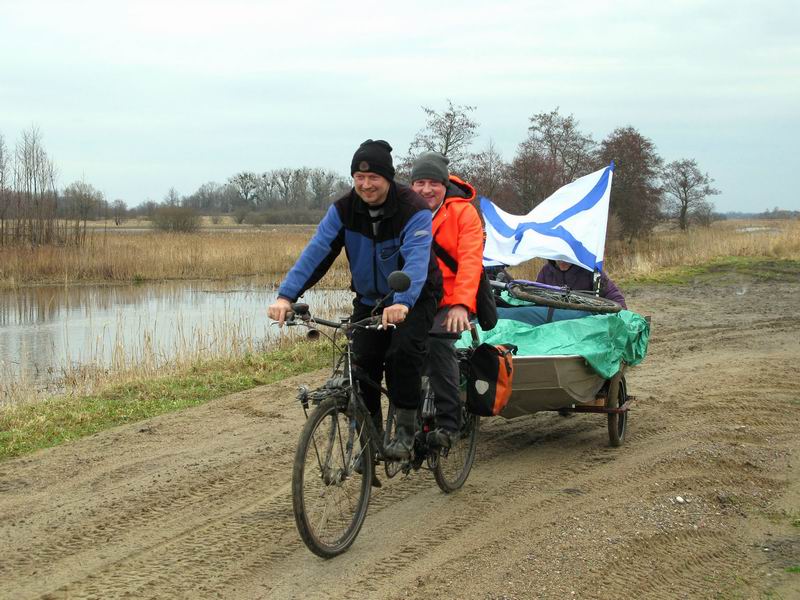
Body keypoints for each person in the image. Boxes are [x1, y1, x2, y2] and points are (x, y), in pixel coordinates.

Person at [268, 139, 442, 460]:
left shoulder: (413, 208)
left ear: (388, 178)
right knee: (362, 365)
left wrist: (402, 301)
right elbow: (316, 253)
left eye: (373, 177)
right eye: (359, 178)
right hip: (369, 300)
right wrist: (285, 295)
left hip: (413, 297)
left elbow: (417, 261)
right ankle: (370, 436)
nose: (365, 184)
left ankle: (405, 430)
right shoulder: (343, 210)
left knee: (402, 355)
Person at [410, 151, 484, 447]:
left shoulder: (463, 213)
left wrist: (461, 304)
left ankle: (449, 424)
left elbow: (470, 262)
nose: (426, 190)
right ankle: (408, 423)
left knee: (440, 347)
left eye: (433, 183)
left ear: (444, 184)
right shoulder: (406, 211)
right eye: (419, 182)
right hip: (416, 299)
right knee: (401, 353)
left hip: (452, 299)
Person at [535, 259, 627, 308]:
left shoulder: (590, 270)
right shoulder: (545, 272)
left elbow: (613, 295)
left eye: (567, 259)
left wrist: (623, 315)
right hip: (554, 327)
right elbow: (536, 301)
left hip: (584, 327)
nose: (562, 263)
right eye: (558, 259)